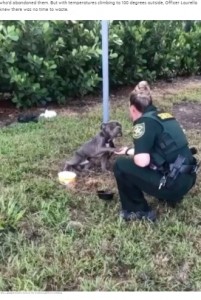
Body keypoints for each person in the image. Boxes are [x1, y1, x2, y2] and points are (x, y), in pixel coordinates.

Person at [113, 82, 198, 222]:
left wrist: (134, 156)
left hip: (172, 186)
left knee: (120, 166)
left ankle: (138, 211)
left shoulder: (142, 123)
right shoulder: (164, 115)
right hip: (187, 180)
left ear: (133, 108)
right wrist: (128, 150)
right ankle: (170, 195)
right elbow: (162, 151)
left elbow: (142, 161)